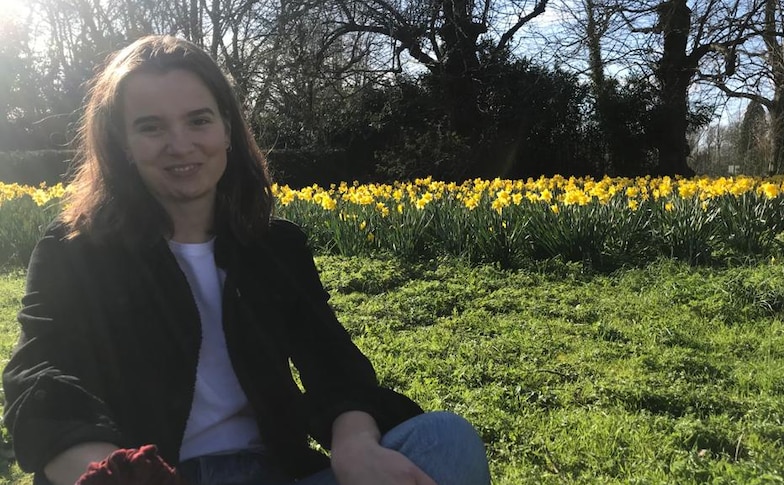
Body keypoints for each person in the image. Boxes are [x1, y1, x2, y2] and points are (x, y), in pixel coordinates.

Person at [2, 35, 491, 485]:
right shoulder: (75, 252)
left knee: (445, 437)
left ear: (228, 129)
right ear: (122, 145)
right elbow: (39, 376)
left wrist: (355, 444)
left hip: (278, 472)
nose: (181, 145)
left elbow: (333, 364)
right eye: (151, 128)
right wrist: (112, 473)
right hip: (158, 473)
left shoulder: (274, 246)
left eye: (199, 120)